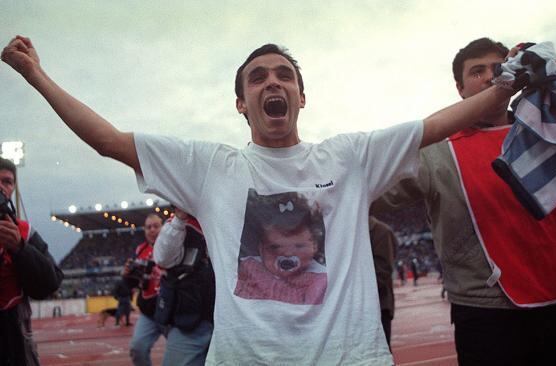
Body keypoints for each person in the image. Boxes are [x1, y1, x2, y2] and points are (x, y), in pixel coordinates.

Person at [2, 36, 516, 364]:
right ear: (240, 104)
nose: (273, 82)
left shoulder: (351, 156)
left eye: (284, 75)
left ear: (301, 97)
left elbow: (443, 122)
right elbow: (109, 140)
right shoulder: (210, 167)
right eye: (258, 78)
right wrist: (36, 76)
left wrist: (512, 82)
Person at [371, 37, 556, 365]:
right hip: (482, 313)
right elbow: (367, 193)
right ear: (460, 89)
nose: (488, 76)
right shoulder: (435, 153)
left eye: (497, 68)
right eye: (476, 72)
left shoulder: (547, 135)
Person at [0, 157, 64, 366]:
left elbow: (51, 282)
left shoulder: (25, 232)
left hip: (15, 339)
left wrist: (20, 248)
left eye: (7, 182)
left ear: (12, 189)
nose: (0, 187)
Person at [234, 190, 326, 304]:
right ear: (261, 250)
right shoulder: (249, 267)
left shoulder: (317, 279)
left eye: (299, 246)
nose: (287, 253)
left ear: (314, 247)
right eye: (275, 247)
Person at [153, 207, 215, 366]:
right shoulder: (178, 225)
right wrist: (179, 218)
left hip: (226, 321)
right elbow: (163, 259)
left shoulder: (226, 220)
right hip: (189, 322)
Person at [122, 213, 164, 366]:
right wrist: (126, 275)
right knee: (137, 349)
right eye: (148, 227)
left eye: (156, 226)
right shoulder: (140, 250)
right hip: (149, 313)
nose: (152, 230)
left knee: (179, 356)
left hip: (172, 314)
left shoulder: (173, 248)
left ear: (164, 228)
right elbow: (131, 284)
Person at [369, 216, 398, 350]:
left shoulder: (380, 232)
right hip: (355, 307)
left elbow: (382, 271)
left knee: (380, 355)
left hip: (378, 305)